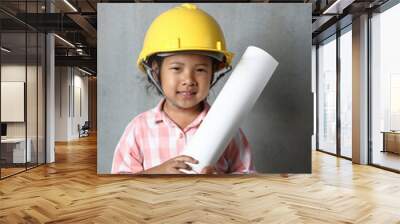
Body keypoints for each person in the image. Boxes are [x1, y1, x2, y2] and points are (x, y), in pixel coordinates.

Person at [111, 3, 256, 174]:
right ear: (156, 72)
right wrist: (156, 174)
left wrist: (222, 184)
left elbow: (248, 179)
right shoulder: (139, 129)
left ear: (213, 73)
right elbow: (119, 186)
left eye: (200, 70)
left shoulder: (228, 129)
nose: (188, 80)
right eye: (176, 68)